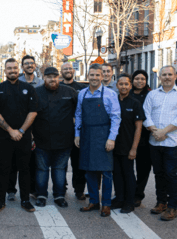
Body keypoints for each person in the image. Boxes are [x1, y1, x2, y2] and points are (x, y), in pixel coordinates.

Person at [0, 58, 38, 213]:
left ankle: (25, 200)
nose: (12, 71)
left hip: (23, 137)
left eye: (15, 68)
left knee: (24, 169)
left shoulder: (28, 89)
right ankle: (0, 201)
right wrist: (10, 130)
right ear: (4, 70)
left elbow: (33, 111)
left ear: (19, 69)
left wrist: (21, 131)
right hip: (3, 137)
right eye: (9, 68)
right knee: (3, 169)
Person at [143, 65, 177, 221]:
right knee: (158, 173)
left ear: (175, 76)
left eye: (170, 74)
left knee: (170, 174)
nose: (167, 77)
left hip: (172, 142)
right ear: (159, 77)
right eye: (164, 74)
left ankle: (172, 207)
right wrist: (155, 131)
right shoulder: (152, 95)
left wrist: (163, 132)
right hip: (154, 141)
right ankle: (161, 202)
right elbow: (146, 113)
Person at [75, 64, 121, 217]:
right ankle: (94, 201)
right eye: (92, 75)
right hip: (87, 135)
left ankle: (106, 204)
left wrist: (111, 138)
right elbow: (79, 115)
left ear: (102, 77)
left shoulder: (110, 94)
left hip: (104, 135)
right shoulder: (82, 93)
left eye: (97, 75)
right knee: (89, 171)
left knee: (106, 172)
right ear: (88, 76)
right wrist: (77, 134)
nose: (94, 78)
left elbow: (115, 118)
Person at [33, 67, 78, 208]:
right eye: (49, 76)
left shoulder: (69, 92)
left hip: (64, 140)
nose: (52, 79)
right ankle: (41, 195)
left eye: (55, 76)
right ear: (43, 78)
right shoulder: (36, 92)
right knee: (42, 169)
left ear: (59, 77)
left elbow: (79, 113)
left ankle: (59, 196)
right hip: (41, 139)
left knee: (60, 169)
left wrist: (77, 132)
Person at [7, 55, 44, 201]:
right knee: (12, 162)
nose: (29, 65)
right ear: (22, 67)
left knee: (31, 163)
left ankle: (31, 190)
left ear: (35, 65)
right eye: (26, 63)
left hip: (36, 128)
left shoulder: (41, 83)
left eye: (31, 63)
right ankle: (11, 190)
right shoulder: (16, 82)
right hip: (17, 129)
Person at [111, 74, 145, 213]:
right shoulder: (113, 101)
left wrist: (134, 148)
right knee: (117, 174)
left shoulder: (135, 103)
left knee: (128, 174)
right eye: (121, 84)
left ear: (130, 86)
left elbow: (138, 127)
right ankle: (119, 198)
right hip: (114, 145)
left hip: (128, 145)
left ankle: (129, 202)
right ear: (117, 85)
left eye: (126, 84)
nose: (123, 86)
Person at [60, 62, 88, 200]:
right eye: (65, 69)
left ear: (74, 71)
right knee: (61, 164)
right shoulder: (57, 88)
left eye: (70, 68)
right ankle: (62, 188)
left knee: (78, 163)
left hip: (78, 133)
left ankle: (79, 190)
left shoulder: (82, 88)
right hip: (63, 133)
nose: (68, 70)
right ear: (61, 71)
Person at [129, 70, 151, 207]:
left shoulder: (150, 95)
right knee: (127, 168)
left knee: (143, 169)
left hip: (145, 137)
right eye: (137, 78)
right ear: (133, 80)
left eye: (143, 79)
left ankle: (138, 194)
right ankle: (128, 191)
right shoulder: (127, 94)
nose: (140, 81)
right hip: (127, 136)